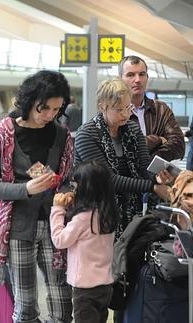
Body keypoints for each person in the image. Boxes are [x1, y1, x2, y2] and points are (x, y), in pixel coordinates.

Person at [0, 70, 74, 323]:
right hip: (19, 227)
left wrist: (65, 193)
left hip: (56, 226)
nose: (50, 115)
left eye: (56, 109)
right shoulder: (5, 131)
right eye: (45, 108)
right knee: (25, 306)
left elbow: (68, 180)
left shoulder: (62, 134)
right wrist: (26, 189)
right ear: (30, 101)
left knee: (62, 303)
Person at [75, 78, 172, 235]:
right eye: (118, 110)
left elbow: (144, 167)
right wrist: (152, 186)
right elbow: (107, 179)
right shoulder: (86, 134)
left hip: (131, 210)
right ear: (102, 107)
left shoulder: (132, 129)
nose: (126, 114)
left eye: (128, 107)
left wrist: (158, 178)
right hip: (95, 211)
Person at [50, 161, 118, 323]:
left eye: (76, 185)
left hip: (85, 289)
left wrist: (57, 209)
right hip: (105, 285)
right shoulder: (107, 213)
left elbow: (60, 240)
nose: (73, 189)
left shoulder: (83, 218)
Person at [119, 55, 184, 162]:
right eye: (130, 75)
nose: (138, 80)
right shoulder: (116, 112)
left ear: (147, 77)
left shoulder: (161, 109)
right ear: (120, 79)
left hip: (158, 176)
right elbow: (122, 147)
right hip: (125, 178)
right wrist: (158, 139)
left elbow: (179, 145)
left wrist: (153, 160)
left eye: (142, 74)